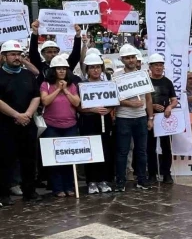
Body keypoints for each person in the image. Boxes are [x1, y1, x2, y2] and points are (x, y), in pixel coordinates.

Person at [0, 40, 41, 206]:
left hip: (27, 124)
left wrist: (28, 114)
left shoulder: (28, 75)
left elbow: (36, 96)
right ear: (4, 57)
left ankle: (29, 192)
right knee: (5, 161)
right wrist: (16, 115)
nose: (16, 57)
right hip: (5, 126)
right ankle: (3, 194)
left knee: (29, 159)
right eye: (12, 54)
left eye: (18, 54)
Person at [113, 44, 154, 192]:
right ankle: (120, 181)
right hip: (123, 117)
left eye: (132, 57)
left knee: (141, 151)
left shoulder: (143, 74)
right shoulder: (116, 76)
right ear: (122, 59)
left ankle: (142, 180)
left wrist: (150, 118)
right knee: (122, 151)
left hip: (141, 118)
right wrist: (130, 103)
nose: (130, 60)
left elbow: (148, 99)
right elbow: (114, 98)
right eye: (127, 58)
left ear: (136, 58)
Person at [40, 56, 81, 197]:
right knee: (55, 158)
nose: (62, 71)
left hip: (70, 126)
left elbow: (76, 103)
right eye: (59, 69)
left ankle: (69, 186)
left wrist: (66, 90)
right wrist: (58, 89)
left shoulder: (72, 85)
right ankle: (57, 188)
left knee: (69, 158)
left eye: (64, 68)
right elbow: (45, 101)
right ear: (53, 70)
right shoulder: (46, 85)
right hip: (51, 126)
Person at [78, 54, 114, 194]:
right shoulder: (82, 85)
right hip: (88, 121)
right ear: (87, 69)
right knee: (91, 150)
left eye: (98, 67)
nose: (95, 70)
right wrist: (92, 109)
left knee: (105, 150)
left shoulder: (108, 84)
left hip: (105, 120)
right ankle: (91, 181)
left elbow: (113, 102)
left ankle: (103, 180)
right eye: (92, 67)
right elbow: (78, 106)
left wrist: (108, 110)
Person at [147, 54, 177, 184]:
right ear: (150, 67)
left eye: (161, 65)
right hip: (150, 118)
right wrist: (151, 106)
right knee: (150, 147)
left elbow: (174, 100)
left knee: (166, 147)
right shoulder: (146, 81)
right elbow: (142, 100)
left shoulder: (167, 82)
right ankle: (152, 174)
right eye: (156, 65)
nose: (159, 68)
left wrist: (169, 107)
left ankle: (167, 174)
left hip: (165, 119)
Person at [29, 21, 82, 85]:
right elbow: (33, 52)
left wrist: (78, 36)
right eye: (49, 52)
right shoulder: (40, 66)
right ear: (42, 54)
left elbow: (75, 55)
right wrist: (35, 33)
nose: (53, 54)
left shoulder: (65, 65)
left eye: (55, 52)